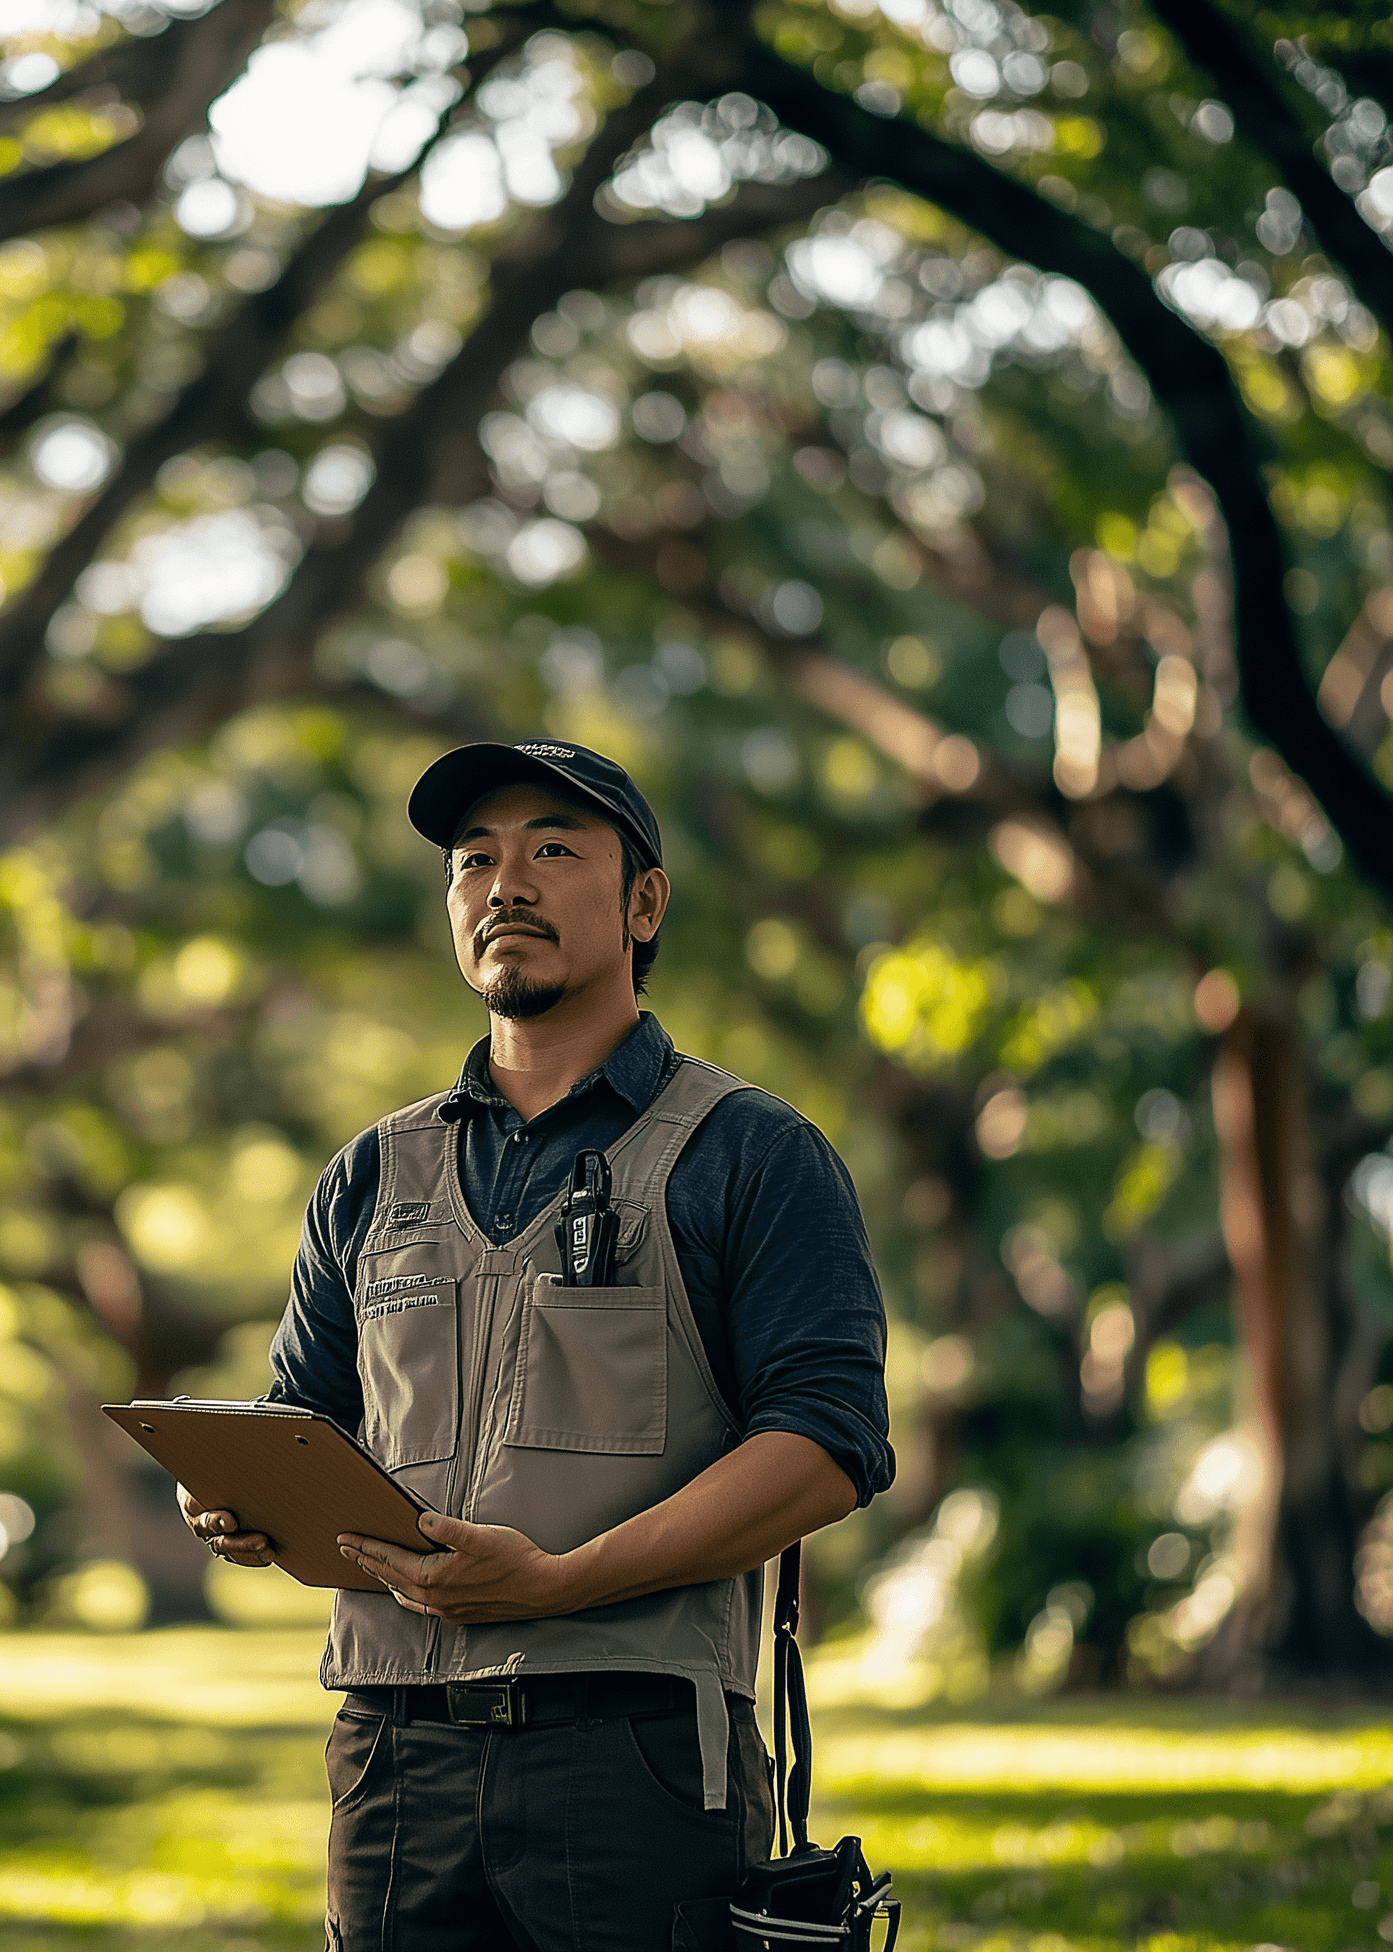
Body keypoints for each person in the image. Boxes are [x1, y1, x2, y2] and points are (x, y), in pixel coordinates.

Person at [181, 739, 893, 1952]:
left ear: (643, 900)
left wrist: (561, 1581)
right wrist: (247, 1507)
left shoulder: (751, 1153)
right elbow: (304, 1422)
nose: (504, 882)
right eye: (474, 859)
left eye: (553, 848)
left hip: (636, 1752)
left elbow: (827, 1443)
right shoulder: (366, 1175)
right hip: (391, 1754)